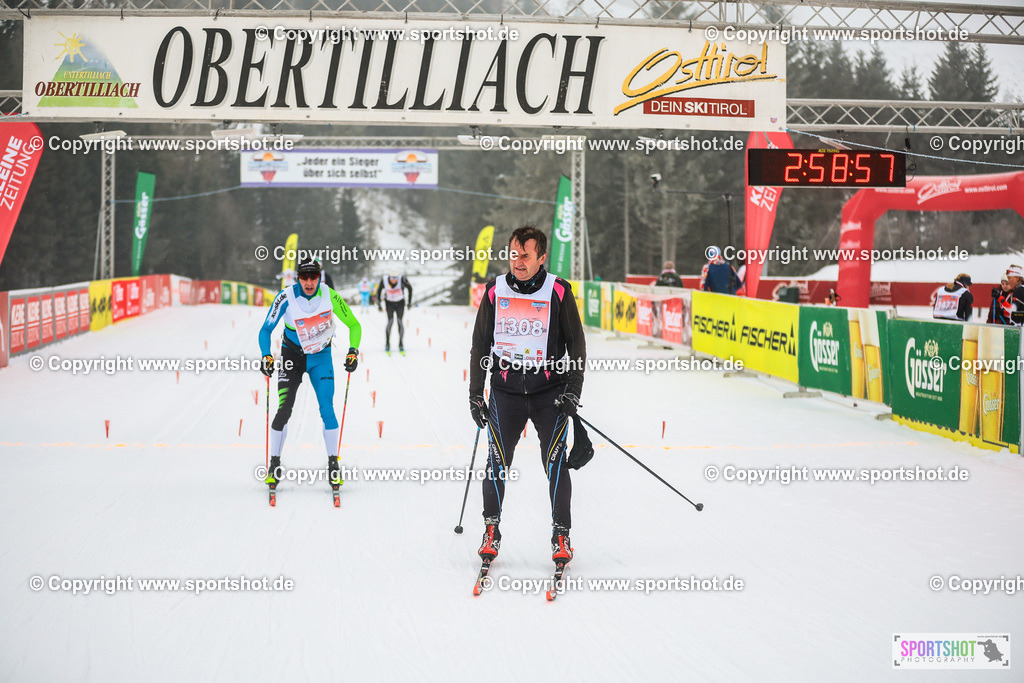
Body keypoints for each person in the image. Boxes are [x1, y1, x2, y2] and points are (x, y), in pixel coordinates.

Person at [468, 225, 587, 568]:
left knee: (555, 463)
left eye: (526, 256)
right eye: (513, 254)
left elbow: (576, 343)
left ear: (541, 258)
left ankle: (561, 535)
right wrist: (476, 394)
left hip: (549, 393)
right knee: (496, 464)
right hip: (505, 392)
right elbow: (480, 344)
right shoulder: (495, 290)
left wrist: (573, 390)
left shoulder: (558, 291)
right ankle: (491, 531)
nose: (518, 262)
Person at [259, 259, 361, 490]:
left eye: (313, 277)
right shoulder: (286, 297)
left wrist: (353, 351)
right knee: (284, 409)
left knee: (327, 408)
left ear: (319, 277)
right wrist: (266, 355)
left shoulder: (330, 295)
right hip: (291, 357)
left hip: (320, 357)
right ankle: (274, 464)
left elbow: (354, 325)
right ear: (298, 278)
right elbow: (266, 329)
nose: (309, 282)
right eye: (304, 277)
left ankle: (333, 465)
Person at [376, 271, 413, 354]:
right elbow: (378, 292)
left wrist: (409, 302)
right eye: (392, 278)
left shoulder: (402, 279)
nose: (394, 280)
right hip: (389, 303)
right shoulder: (384, 280)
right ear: (389, 277)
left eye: (395, 278)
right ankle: (387, 344)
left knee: (399, 321)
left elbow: (410, 288)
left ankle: (401, 343)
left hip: (400, 303)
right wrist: (379, 305)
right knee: (390, 321)